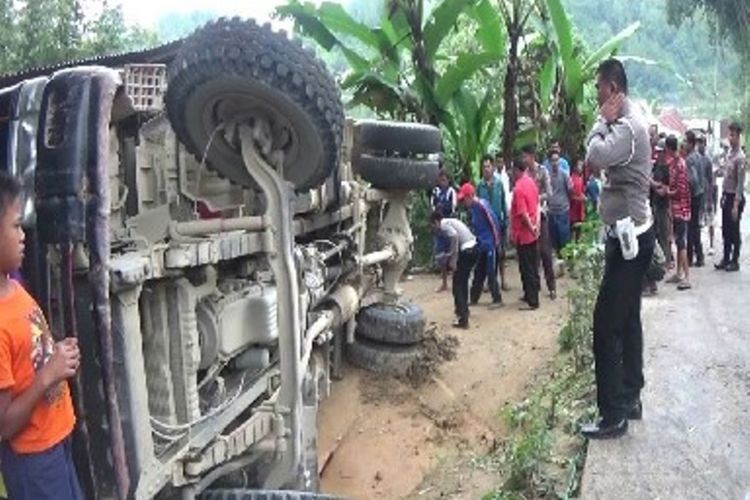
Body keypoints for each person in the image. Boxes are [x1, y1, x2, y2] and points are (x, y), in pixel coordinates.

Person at [581, 59, 655, 440]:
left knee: (604, 323)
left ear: (612, 89)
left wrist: (598, 123)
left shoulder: (626, 127)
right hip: (629, 237)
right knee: (627, 320)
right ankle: (631, 396)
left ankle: (613, 416)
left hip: (631, 243)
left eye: (598, 90)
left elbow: (595, 155)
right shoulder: (626, 121)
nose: (596, 97)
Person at [0, 171, 83, 499]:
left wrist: (55, 355)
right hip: (34, 462)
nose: (24, 235)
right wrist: (49, 374)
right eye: (16, 225)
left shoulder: (14, 288)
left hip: (55, 442)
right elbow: (4, 425)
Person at [457, 183, 503, 308]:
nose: (463, 202)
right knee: (479, 271)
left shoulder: (482, 206)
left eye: (464, 199)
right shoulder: (473, 209)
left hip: (490, 244)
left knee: (490, 271)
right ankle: (474, 298)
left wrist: (496, 241)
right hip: (481, 243)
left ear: (470, 196)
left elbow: (494, 222)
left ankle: (497, 298)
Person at [430, 211, 478, 329]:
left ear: (436, 221)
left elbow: (454, 236)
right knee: (463, 282)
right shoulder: (452, 221)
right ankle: (464, 311)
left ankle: (463, 318)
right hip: (474, 248)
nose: (434, 229)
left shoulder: (444, 224)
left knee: (457, 285)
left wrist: (453, 258)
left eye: (432, 225)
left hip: (466, 250)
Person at [524, 145, 557, 300]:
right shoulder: (523, 173)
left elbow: (549, 193)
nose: (524, 159)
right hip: (528, 216)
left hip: (541, 214)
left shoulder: (542, 171)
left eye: (526, 156)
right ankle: (534, 287)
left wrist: (536, 197)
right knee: (532, 253)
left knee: (545, 251)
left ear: (532, 156)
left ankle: (551, 286)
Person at [511, 155, 541, 310]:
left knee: (526, 267)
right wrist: (537, 228)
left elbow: (523, 214)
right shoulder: (531, 182)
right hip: (532, 232)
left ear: (516, 170)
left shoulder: (519, 188)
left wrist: (531, 228)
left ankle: (533, 300)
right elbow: (537, 206)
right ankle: (530, 293)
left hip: (524, 234)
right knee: (532, 266)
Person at [715, 122, 746, 272]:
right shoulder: (729, 154)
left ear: (739, 136)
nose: (730, 138)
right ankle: (726, 257)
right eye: (729, 135)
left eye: (733, 135)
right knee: (725, 229)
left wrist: (735, 205)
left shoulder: (740, 158)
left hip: (735, 198)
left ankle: (735, 260)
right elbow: (726, 176)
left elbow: (740, 184)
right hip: (726, 195)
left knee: (734, 229)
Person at [477, 155, 509, 291]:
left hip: (498, 224)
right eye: (484, 167)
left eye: (489, 166)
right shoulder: (480, 185)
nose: (486, 169)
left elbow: (503, 204)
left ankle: (503, 280)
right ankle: (489, 281)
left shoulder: (499, 184)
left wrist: (506, 220)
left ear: (493, 168)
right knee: (486, 253)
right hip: (485, 226)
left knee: (501, 253)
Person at [666, 135, 692, 290]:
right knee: (678, 241)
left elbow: (681, 191)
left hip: (681, 210)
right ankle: (679, 273)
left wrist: (668, 192)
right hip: (675, 209)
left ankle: (687, 277)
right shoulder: (674, 164)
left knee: (681, 243)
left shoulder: (680, 165)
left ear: (670, 149)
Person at [431, 169, 457, 291]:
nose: (442, 182)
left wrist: (442, 207)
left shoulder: (451, 192)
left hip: (449, 226)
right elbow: (432, 207)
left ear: (448, 181)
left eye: (444, 180)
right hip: (439, 228)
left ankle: (456, 281)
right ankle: (444, 282)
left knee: (452, 254)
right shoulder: (435, 192)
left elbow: (453, 207)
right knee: (441, 256)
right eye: (440, 180)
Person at [650, 138, 673, 269]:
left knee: (665, 233)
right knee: (656, 232)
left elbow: (668, 187)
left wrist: (661, 188)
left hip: (664, 205)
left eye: (660, 152)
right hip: (655, 203)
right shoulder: (655, 166)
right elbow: (651, 180)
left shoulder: (668, 168)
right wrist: (655, 186)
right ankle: (660, 260)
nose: (658, 154)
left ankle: (668, 260)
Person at [684, 131, 705, 267]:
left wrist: (689, 190)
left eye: (686, 142)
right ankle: (699, 255)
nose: (684, 144)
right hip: (700, 193)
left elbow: (693, 179)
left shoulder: (690, 159)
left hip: (693, 195)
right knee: (695, 226)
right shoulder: (699, 156)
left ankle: (691, 257)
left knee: (691, 227)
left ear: (691, 143)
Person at [547, 151, 573, 255]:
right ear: (549, 162)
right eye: (553, 160)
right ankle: (559, 261)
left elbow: (570, 191)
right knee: (555, 240)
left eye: (557, 160)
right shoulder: (547, 176)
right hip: (552, 212)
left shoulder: (565, 175)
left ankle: (567, 263)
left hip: (563, 211)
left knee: (565, 239)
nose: (555, 163)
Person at [493, 152, 512, 291]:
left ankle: (504, 280)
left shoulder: (508, 177)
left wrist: (507, 216)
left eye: (501, 162)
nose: (500, 164)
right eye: (497, 162)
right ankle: (492, 280)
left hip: (504, 216)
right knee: (492, 251)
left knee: (502, 252)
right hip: (492, 218)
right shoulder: (492, 179)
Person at [698, 137, 717, 255]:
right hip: (699, 195)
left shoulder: (708, 160)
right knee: (698, 222)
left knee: (710, 220)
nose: (700, 146)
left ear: (705, 145)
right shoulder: (696, 158)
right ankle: (698, 245)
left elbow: (711, 180)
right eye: (698, 143)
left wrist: (710, 199)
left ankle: (711, 245)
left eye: (701, 144)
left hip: (707, 194)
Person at [570, 159, 587, 241]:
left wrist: (583, 196)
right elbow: (570, 196)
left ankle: (578, 242)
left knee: (579, 227)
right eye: (579, 165)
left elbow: (581, 191)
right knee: (573, 227)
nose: (580, 167)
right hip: (573, 208)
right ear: (575, 167)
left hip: (580, 208)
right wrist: (580, 199)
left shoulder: (581, 177)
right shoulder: (571, 179)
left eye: (581, 165)